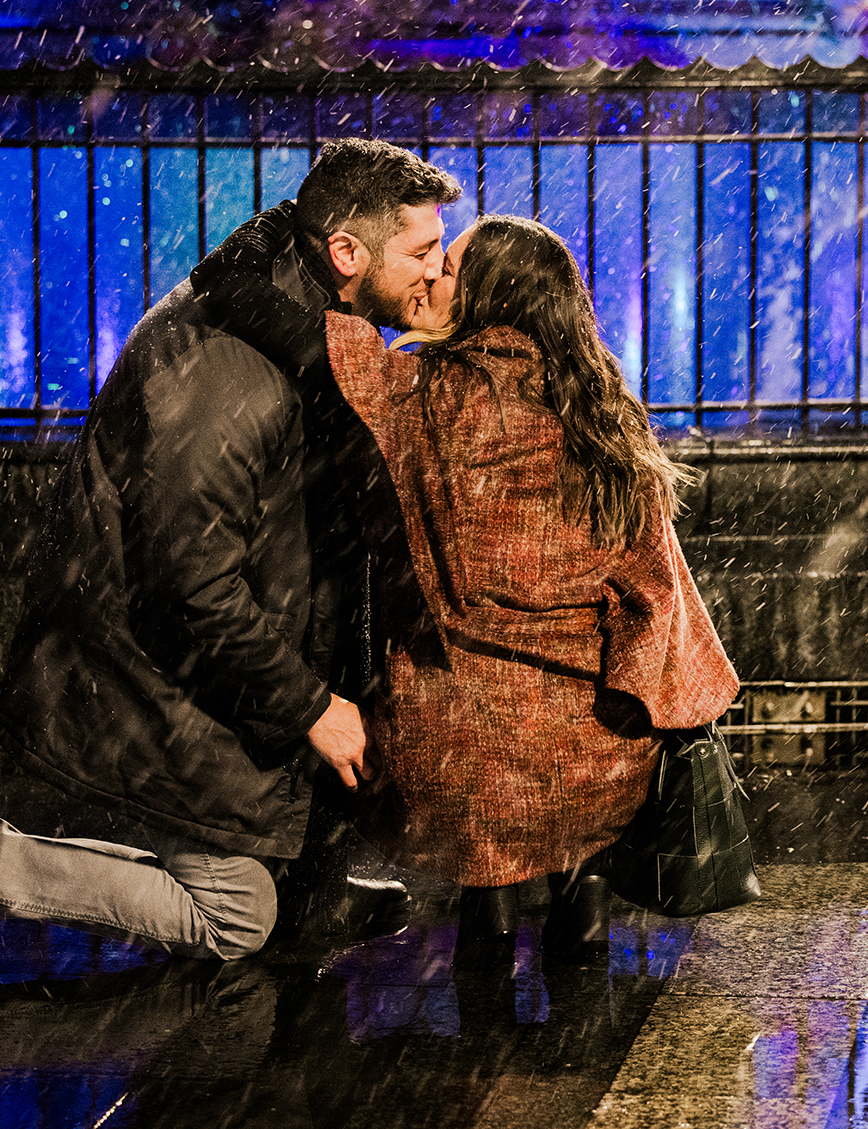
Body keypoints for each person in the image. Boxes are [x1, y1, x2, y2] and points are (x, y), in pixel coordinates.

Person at [0, 140, 465, 960]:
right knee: (235, 917)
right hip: (142, 671)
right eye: (421, 252)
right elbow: (188, 586)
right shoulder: (231, 372)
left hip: (194, 659)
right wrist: (305, 705)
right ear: (345, 252)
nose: (438, 271)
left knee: (286, 851)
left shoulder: (295, 325)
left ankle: (306, 889)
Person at [227, 213, 742, 961]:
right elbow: (655, 594)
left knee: (484, 801)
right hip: (592, 757)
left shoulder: (417, 394)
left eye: (451, 268)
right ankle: (582, 949)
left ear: (489, 300)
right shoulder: (600, 414)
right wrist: (650, 702)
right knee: (580, 807)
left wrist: (283, 231)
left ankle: (485, 977)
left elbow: (259, 310)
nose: (432, 273)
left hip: (455, 757)